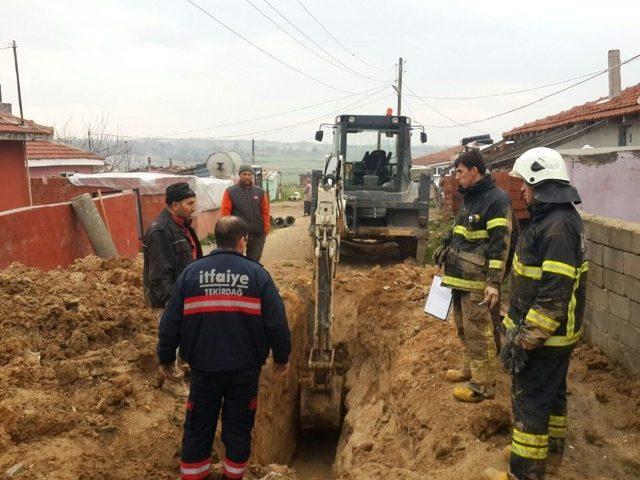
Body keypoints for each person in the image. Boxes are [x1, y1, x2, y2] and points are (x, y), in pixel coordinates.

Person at [157, 215, 291, 480]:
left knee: (198, 428)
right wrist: (281, 358)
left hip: (203, 369)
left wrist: (165, 358)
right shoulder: (257, 275)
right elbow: (276, 323)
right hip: (244, 371)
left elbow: (170, 322)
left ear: (217, 239)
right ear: (242, 240)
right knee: (239, 429)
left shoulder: (191, 274)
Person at [483, 148, 587, 480]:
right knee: (552, 397)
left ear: (538, 184)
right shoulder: (558, 219)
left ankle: (524, 470)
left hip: (544, 338)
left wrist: (524, 340)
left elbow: (553, 295)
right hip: (557, 336)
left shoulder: (555, 228)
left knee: (530, 405)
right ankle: (551, 459)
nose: (522, 191)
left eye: (525, 185)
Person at [433, 149, 513, 403]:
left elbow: (500, 245)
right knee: (464, 328)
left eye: (459, 172)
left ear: (474, 171)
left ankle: (483, 384)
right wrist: (447, 247)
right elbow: (463, 234)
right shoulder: (471, 198)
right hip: (460, 277)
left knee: (479, 331)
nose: (456, 178)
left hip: (477, 281)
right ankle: (471, 369)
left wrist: (493, 283)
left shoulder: (496, 200)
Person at [143, 182, 203, 313]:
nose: (194, 208)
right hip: (170, 305)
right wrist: (174, 304)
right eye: (190, 203)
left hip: (185, 299)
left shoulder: (184, 227)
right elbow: (159, 276)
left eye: (194, 203)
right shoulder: (160, 231)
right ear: (175, 205)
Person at [221, 165, 270, 262]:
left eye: (249, 174)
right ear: (239, 175)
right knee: (236, 260)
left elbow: (265, 211)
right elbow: (225, 213)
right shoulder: (230, 192)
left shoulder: (260, 192)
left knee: (254, 261)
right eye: (244, 174)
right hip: (237, 234)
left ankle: (252, 277)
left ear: (252, 175)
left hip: (257, 234)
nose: (247, 176)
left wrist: (265, 229)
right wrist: (227, 230)